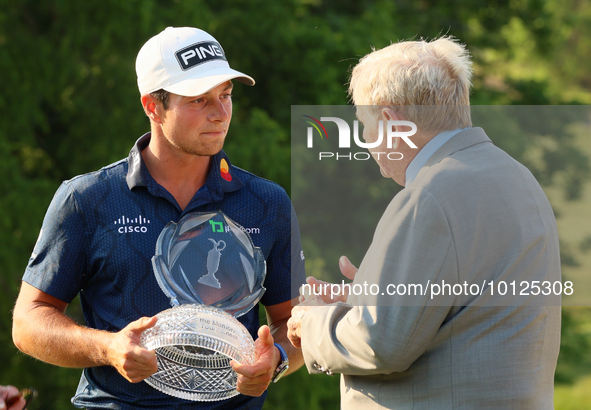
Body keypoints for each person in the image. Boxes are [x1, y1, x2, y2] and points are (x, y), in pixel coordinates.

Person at [12, 26, 305, 409]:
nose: (220, 113)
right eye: (200, 100)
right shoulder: (86, 199)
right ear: (152, 106)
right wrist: (110, 348)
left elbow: (295, 323)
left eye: (226, 95)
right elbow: (29, 322)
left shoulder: (268, 202)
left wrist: (277, 361)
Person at [287, 37, 561, 409]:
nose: (366, 142)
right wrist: (366, 295)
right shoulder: (517, 177)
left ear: (389, 122)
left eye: (363, 125)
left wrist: (314, 321)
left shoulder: (431, 195)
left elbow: (380, 344)